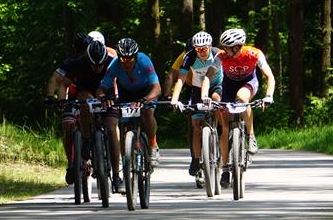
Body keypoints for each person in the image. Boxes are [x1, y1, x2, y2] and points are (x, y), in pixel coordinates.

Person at [201, 28, 275, 188]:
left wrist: (269, 95)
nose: (224, 50)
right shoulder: (221, 56)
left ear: (237, 47)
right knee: (225, 127)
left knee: (242, 98)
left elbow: (269, 76)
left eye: (227, 47)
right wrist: (205, 95)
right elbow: (208, 76)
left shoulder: (254, 54)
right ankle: (225, 167)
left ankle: (251, 135)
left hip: (249, 83)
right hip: (228, 85)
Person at [45, 39, 122, 190]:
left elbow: (122, 81)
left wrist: (120, 98)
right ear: (88, 60)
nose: (97, 68)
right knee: (86, 103)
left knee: (112, 129)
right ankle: (87, 140)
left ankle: (116, 175)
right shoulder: (79, 63)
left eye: (100, 65)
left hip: (107, 95)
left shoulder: (112, 62)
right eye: (93, 65)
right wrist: (61, 100)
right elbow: (63, 83)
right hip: (86, 91)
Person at [97, 38, 162, 168]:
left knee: (147, 113)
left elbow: (157, 88)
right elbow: (101, 89)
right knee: (122, 122)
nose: (127, 62)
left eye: (130, 59)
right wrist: (103, 97)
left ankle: (153, 144)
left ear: (136, 57)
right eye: (123, 59)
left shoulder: (144, 61)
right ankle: (124, 156)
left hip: (146, 91)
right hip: (126, 92)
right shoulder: (115, 64)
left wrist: (145, 99)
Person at [170, 31, 223, 186]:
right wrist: (174, 99)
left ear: (210, 46)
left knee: (216, 99)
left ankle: (219, 128)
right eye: (198, 49)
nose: (201, 52)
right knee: (196, 125)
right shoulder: (189, 56)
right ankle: (196, 159)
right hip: (197, 88)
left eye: (204, 49)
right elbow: (180, 79)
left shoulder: (218, 54)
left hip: (217, 84)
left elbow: (219, 73)